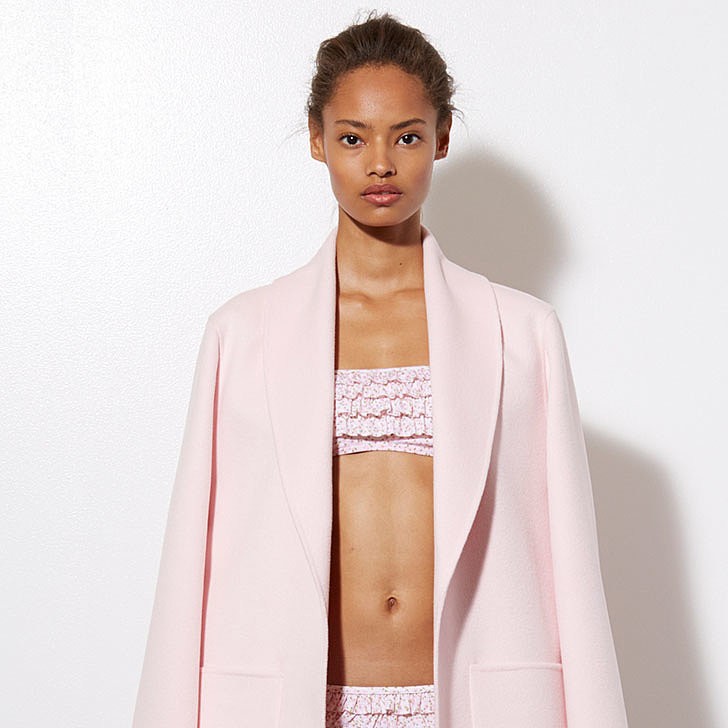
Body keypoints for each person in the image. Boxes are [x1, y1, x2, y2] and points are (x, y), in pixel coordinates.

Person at [132, 11, 629, 728]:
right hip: (296, 708)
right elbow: (190, 565)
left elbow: (574, 575)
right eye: (352, 138)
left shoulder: (524, 334)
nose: (380, 164)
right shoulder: (241, 335)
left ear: (442, 138)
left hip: (478, 709)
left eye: (407, 136)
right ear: (317, 140)